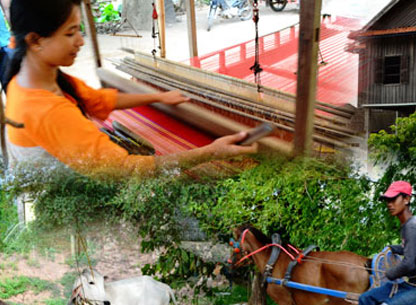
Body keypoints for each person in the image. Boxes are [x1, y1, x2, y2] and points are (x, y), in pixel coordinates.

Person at [4, 0, 257, 179]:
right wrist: (211, 152)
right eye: (70, 33)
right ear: (35, 40)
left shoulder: (38, 77)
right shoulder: (46, 109)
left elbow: (95, 99)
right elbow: (125, 170)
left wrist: (158, 96)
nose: (81, 41)